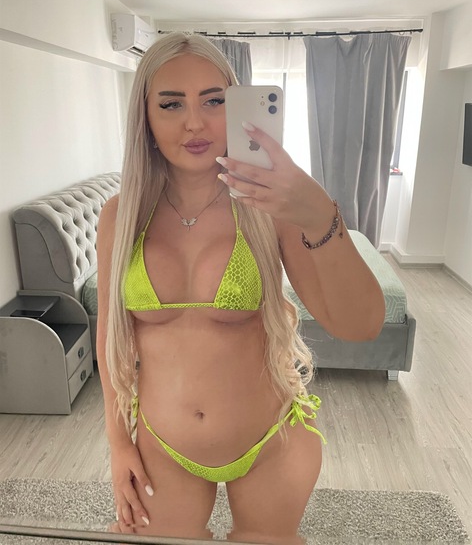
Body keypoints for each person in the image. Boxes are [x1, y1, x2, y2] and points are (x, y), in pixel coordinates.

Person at [96, 32, 385, 544]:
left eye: (213, 101)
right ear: (145, 116)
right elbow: (108, 336)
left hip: (271, 441)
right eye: (171, 104)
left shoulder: (269, 207)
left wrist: (319, 212)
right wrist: (119, 443)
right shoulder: (122, 216)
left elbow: (361, 325)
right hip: (162, 446)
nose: (194, 122)